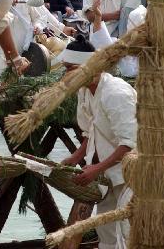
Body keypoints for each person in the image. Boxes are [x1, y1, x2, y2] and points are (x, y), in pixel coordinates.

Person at [58, 36, 136, 249]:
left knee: (130, 232)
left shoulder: (116, 93)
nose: (66, 75)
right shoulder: (84, 91)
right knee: (107, 231)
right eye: (65, 69)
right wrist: (76, 157)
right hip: (108, 174)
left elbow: (129, 143)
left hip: (132, 173)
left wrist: (96, 169)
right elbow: (91, 131)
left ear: (88, 68)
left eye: (70, 68)